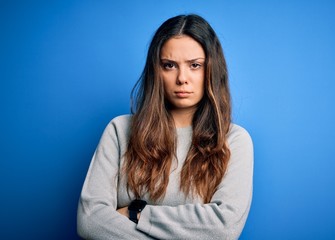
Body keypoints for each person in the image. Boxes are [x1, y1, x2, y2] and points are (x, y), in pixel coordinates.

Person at [77, 14, 253, 240]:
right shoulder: (119, 130)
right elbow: (90, 221)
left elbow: (223, 227)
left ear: (212, 70)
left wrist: (137, 213)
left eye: (195, 66)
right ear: (155, 71)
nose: (182, 78)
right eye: (169, 65)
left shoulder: (235, 140)